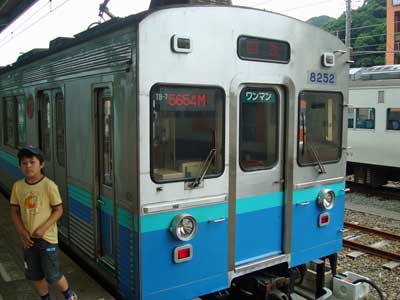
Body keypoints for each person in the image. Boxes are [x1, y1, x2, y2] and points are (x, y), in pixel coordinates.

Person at [10, 145, 78, 300]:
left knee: (52, 275)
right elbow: (14, 212)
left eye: (32, 162)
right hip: (28, 240)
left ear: (41, 164)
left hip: (47, 239)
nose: (28, 166)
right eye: (24, 163)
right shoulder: (18, 187)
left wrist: (43, 228)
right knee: (35, 275)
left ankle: (69, 295)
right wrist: (22, 232)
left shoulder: (49, 186)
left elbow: (58, 210)